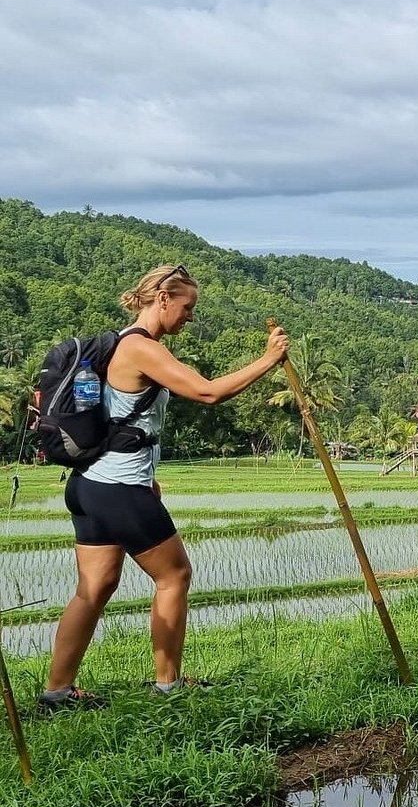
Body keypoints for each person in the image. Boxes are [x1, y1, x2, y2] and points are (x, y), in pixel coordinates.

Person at [38, 264, 289, 712]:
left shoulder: (118, 343)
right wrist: (268, 360)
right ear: (162, 298)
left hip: (90, 485)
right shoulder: (141, 347)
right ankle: (168, 686)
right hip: (118, 488)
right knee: (174, 576)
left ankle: (56, 693)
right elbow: (208, 392)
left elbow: (126, 421)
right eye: (187, 306)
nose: (190, 316)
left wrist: (148, 476)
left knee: (93, 588)